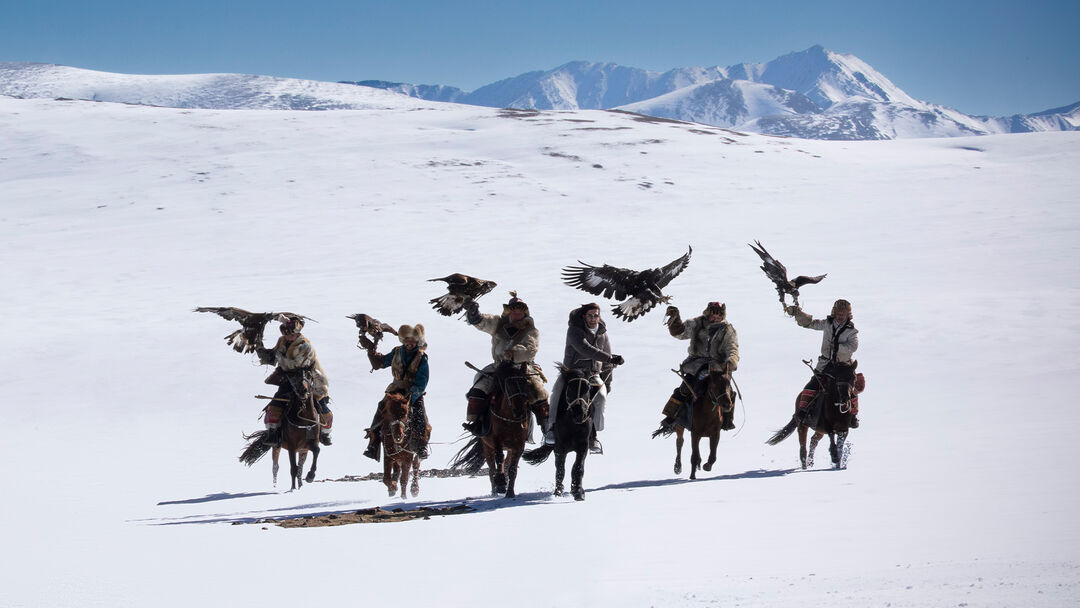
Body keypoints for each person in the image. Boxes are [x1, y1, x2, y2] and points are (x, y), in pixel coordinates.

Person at [461, 292, 549, 439]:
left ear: (525, 313)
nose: (516, 314)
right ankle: (476, 422)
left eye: (520, 312)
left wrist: (513, 354)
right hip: (498, 367)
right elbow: (484, 322)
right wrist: (474, 313)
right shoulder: (499, 324)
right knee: (479, 388)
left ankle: (547, 427)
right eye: (513, 311)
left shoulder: (531, 330)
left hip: (521, 368)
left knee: (538, 392)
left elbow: (530, 350)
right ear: (508, 312)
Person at [544, 303, 623, 453]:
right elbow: (584, 349)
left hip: (593, 374)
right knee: (557, 393)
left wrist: (608, 382)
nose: (593, 318)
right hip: (572, 372)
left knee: (601, 396)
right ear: (584, 316)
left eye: (596, 315)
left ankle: (594, 435)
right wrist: (610, 358)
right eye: (590, 315)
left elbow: (607, 363)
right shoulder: (574, 331)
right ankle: (552, 427)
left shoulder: (603, 334)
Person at [658, 301, 739, 433]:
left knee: (726, 391)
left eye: (718, 316)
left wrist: (731, 361)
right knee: (685, 388)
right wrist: (675, 322)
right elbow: (682, 332)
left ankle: (727, 419)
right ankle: (672, 416)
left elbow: (732, 347)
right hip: (696, 363)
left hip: (718, 365)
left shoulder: (727, 330)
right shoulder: (698, 323)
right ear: (708, 313)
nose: (715, 318)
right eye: (713, 315)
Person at [256, 315, 332, 446]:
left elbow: (296, 365)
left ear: (297, 333)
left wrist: (279, 357)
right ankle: (272, 433)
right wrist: (259, 346)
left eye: (291, 334)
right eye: (286, 334)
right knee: (274, 406)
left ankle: (325, 434)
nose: (288, 337)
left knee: (322, 407)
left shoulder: (306, 346)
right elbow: (272, 358)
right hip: (288, 380)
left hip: (307, 379)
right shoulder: (282, 341)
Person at [785, 299, 860, 427]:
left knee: (849, 389)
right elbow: (810, 324)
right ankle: (802, 411)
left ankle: (853, 416)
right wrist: (797, 313)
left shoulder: (852, 331)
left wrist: (837, 347)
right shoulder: (827, 324)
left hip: (842, 366)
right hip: (825, 365)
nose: (840, 316)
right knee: (812, 385)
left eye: (843, 314)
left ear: (848, 315)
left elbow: (853, 347)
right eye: (838, 313)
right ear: (834, 312)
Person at [362, 324, 431, 460]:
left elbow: (422, 381)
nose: (409, 343)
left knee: (420, 416)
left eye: (412, 341)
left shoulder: (422, 358)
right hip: (394, 390)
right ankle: (373, 443)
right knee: (381, 409)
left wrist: (410, 397)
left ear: (417, 341)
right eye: (407, 340)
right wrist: (372, 350)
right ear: (403, 340)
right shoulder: (397, 352)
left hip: (413, 392)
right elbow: (382, 363)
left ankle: (421, 446)